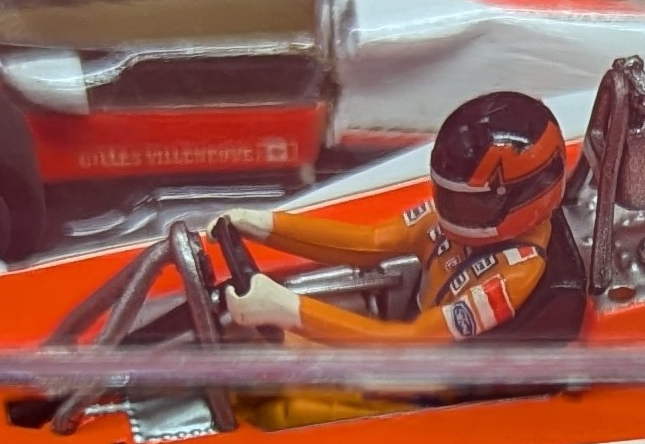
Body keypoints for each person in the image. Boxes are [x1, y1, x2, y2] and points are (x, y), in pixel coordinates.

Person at [220, 90, 577, 345]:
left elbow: (408, 344)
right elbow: (371, 242)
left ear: (528, 193)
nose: (454, 209)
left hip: (430, 379)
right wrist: (265, 225)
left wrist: (289, 310)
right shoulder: (453, 221)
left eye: (473, 203)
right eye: (449, 194)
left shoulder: (512, 277)